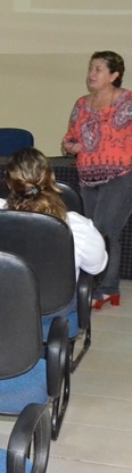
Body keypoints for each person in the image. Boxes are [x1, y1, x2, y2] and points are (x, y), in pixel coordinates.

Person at [62, 51, 132, 309]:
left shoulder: (128, 101)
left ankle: (107, 288)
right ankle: (93, 284)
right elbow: (69, 138)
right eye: (91, 68)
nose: (92, 73)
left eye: (99, 69)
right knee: (91, 230)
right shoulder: (81, 104)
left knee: (106, 229)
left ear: (114, 75)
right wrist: (71, 147)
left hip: (121, 176)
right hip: (88, 178)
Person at [0, 147, 107, 280]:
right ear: (52, 177)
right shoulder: (78, 227)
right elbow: (96, 268)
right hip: (56, 300)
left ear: (8, 183)